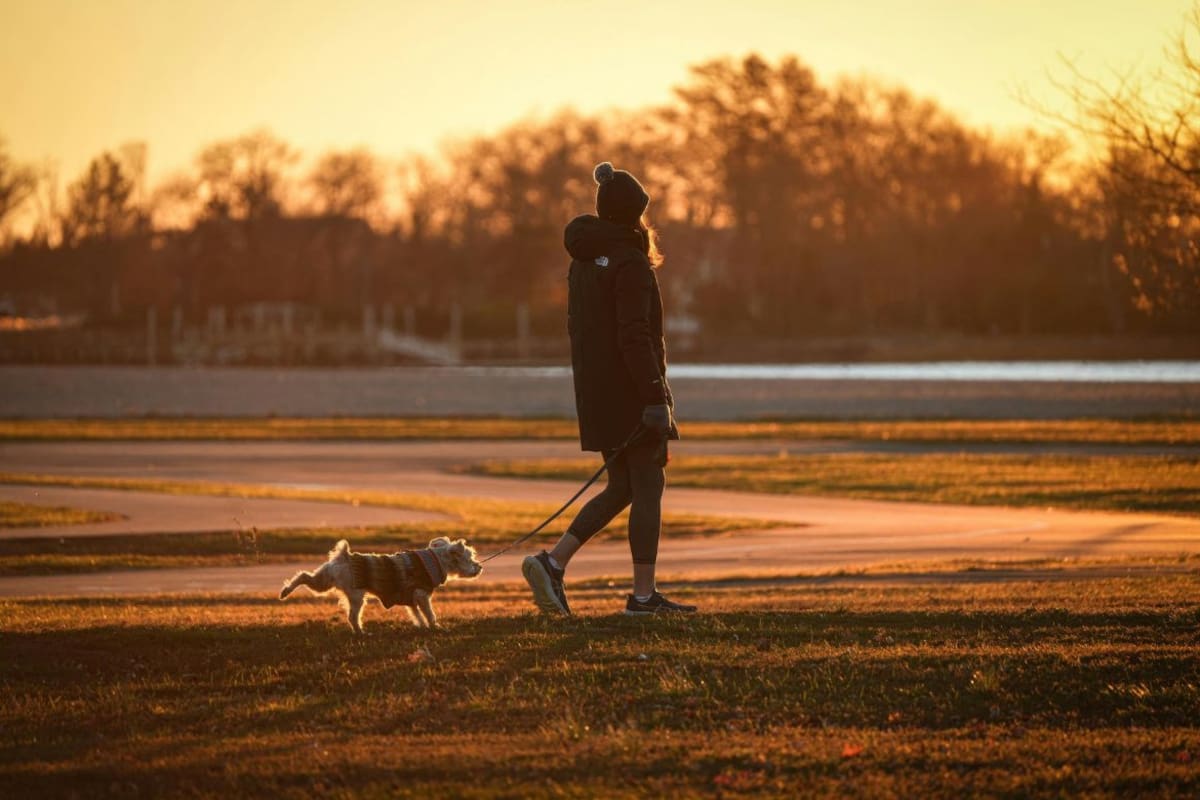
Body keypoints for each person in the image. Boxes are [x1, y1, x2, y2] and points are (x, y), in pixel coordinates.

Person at [522, 161, 697, 617]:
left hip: (597, 396)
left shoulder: (583, 261)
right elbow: (634, 337)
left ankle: (552, 562)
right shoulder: (631, 263)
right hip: (632, 396)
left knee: (622, 487)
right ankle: (642, 598)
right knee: (649, 485)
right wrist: (656, 399)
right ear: (634, 215)